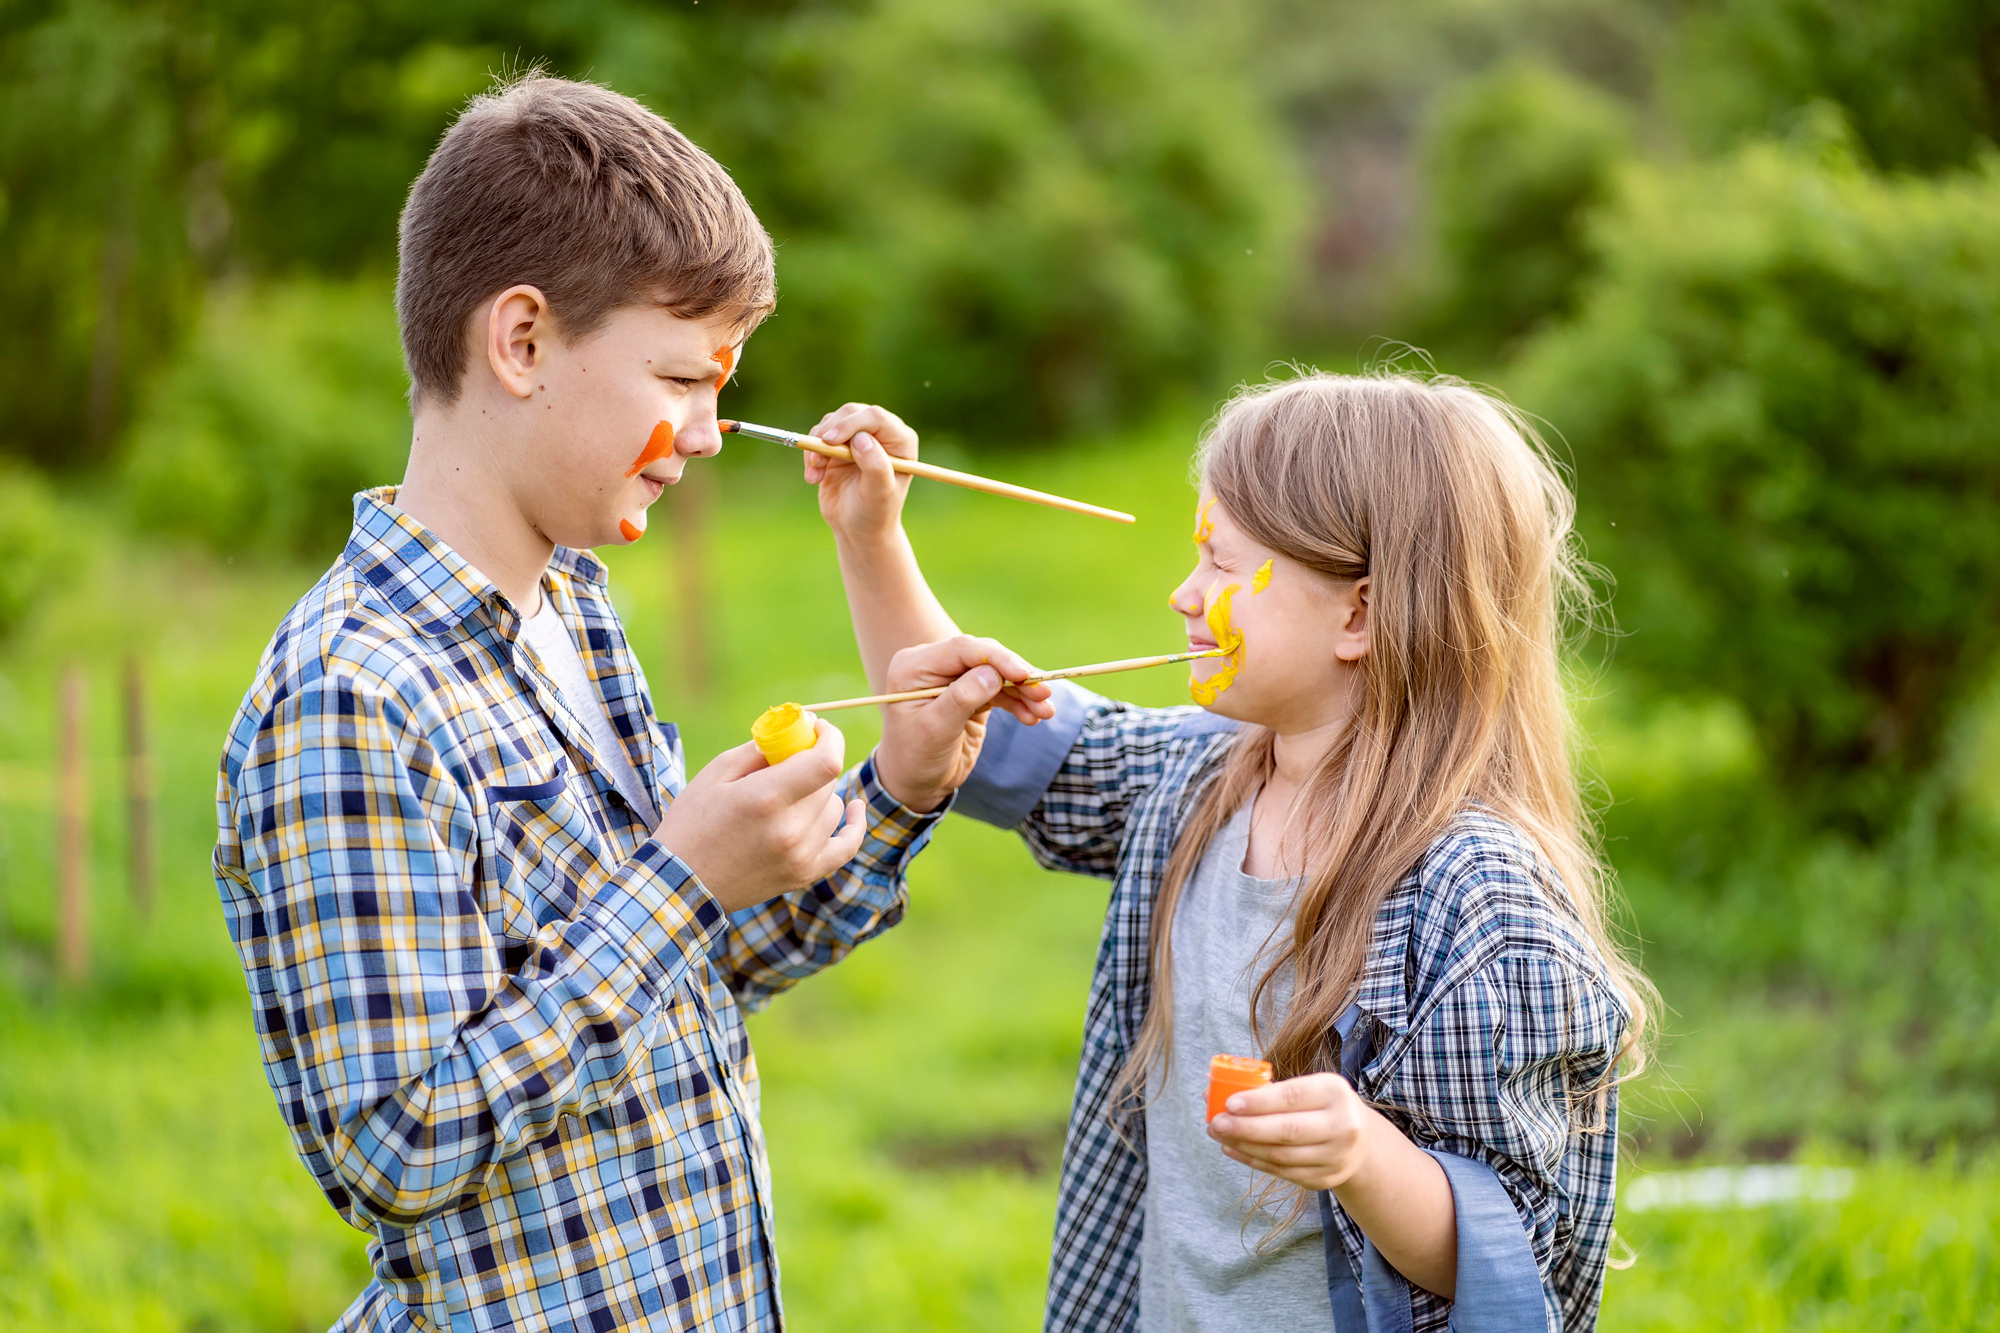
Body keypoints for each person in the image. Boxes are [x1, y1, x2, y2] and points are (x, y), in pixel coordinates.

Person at [211, 75, 1052, 1333]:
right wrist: (679, 878)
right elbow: (398, 1147)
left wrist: (900, 786)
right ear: (523, 341)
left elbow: (684, 974)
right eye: (683, 379)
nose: (708, 435)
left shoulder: (577, 612)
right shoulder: (350, 696)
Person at [805, 375, 1656, 1332]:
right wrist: (870, 538)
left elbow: (1513, 1258)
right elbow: (977, 736)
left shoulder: (1476, 893)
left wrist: (1365, 1157)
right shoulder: (1196, 781)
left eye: (1220, 564)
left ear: (1360, 616)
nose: (1182, 592)